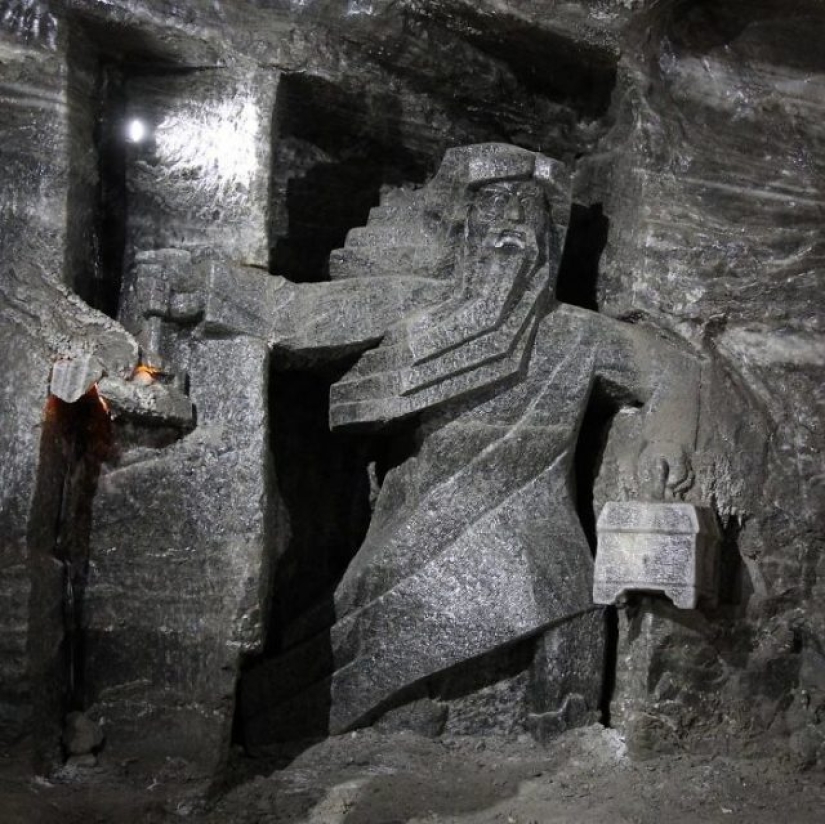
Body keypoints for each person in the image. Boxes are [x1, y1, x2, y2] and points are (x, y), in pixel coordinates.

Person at [141, 143, 699, 741]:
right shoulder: (415, 303)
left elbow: (676, 372)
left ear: (549, 235)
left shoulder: (580, 335)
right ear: (464, 228)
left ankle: (561, 733)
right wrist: (201, 285)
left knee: (567, 586)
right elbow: (294, 315)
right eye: (495, 204)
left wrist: (664, 441)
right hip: (421, 521)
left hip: (535, 517)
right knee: (358, 631)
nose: (512, 220)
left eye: (527, 207)